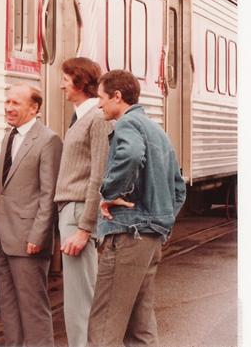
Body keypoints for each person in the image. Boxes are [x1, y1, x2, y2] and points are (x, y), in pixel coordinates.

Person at [88, 70, 186, 347]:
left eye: (101, 98)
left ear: (117, 97)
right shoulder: (158, 131)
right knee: (140, 326)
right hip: (150, 237)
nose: (99, 105)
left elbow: (130, 154)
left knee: (105, 321)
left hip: (127, 234)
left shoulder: (127, 125)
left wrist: (109, 193)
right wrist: (159, 221)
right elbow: (179, 190)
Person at [0, 83, 62, 347]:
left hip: (28, 239)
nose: (8, 107)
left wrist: (38, 235)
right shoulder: (9, 136)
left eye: (15, 103)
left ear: (34, 107)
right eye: (7, 102)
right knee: (8, 307)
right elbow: (0, 189)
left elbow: (48, 195)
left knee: (33, 308)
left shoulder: (48, 140)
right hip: (3, 238)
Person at [53, 58, 111, 347]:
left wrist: (85, 228)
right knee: (76, 295)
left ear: (80, 81)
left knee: (80, 296)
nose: (61, 84)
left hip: (78, 213)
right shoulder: (81, 117)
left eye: (65, 78)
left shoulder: (96, 119)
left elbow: (98, 175)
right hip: (72, 211)